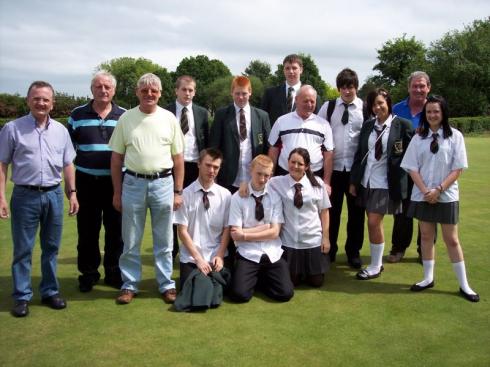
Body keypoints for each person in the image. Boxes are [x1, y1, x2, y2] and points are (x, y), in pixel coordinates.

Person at [0, 81, 79, 317]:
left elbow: (68, 163)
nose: (41, 103)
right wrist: (1, 197)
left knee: (51, 247)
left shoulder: (61, 131)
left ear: (52, 103)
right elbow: (2, 163)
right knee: (23, 249)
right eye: (37, 98)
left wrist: (72, 193)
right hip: (25, 195)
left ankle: (50, 291)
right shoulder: (12, 129)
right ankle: (22, 296)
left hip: (54, 194)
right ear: (28, 101)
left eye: (46, 99)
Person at [109, 73, 184, 305]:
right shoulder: (126, 119)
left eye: (154, 90)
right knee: (130, 238)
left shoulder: (169, 118)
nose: (149, 94)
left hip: (163, 184)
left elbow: (178, 158)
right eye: (144, 90)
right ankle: (129, 284)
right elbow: (116, 158)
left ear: (160, 93)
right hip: (133, 183)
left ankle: (166, 284)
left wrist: (178, 191)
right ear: (137, 92)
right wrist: (117, 191)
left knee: (164, 239)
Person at [401, 95, 479, 302]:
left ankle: (464, 285)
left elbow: (458, 168)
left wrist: (438, 189)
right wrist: (426, 191)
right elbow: (411, 167)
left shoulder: (455, 136)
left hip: (446, 195)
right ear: (425, 115)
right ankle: (428, 278)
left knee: (451, 240)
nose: (432, 115)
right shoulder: (418, 138)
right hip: (423, 195)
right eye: (429, 112)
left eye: (436, 111)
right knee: (426, 237)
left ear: (443, 113)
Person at [68, 71, 125, 292]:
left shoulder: (124, 115)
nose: (103, 90)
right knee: (87, 230)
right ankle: (89, 273)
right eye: (99, 86)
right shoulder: (78, 114)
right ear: (92, 89)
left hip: (115, 182)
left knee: (116, 230)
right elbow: (67, 152)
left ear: (114, 90)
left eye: (107, 87)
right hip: (86, 181)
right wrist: (70, 186)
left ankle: (113, 272)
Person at [349, 88, 413, 280]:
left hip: (386, 183)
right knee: (374, 223)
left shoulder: (403, 125)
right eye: (373, 105)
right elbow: (360, 155)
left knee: (373, 221)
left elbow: (412, 156)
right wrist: (354, 181)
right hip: (366, 181)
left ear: (388, 103)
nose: (377, 108)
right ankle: (377, 262)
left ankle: (376, 266)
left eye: (380, 103)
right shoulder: (368, 126)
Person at [228, 155, 294, 302]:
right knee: (239, 295)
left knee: (285, 293)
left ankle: (260, 279)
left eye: (267, 175)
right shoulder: (237, 198)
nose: (262, 179)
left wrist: (244, 234)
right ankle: (255, 278)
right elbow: (234, 234)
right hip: (248, 253)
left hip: (272, 252)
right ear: (251, 170)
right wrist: (265, 228)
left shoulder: (275, 197)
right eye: (259, 173)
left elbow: (275, 232)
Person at [317, 68, 365, 268]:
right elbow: (317, 133)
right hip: (333, 170)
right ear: (338, 89)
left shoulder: (365, 107)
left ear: (356, 87)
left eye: (351, 87)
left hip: (355, 171)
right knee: (332, 212)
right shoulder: (327, 108)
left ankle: (353, 252)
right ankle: (330, 250)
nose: (347, 92)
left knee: (356, 214)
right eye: (343, 88)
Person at [269, 148, 331, 287]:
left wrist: (325, 238)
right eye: (292, 162)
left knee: (316, 282)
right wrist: (245, 185)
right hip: (289, 242)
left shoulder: (318, 184)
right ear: (287, 162)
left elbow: (324, 211)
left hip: (312, 241)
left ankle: (308, 270)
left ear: (307, 166)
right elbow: (257, 182)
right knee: (293, 282)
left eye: (300, 164)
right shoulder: (276, 182)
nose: (295, 166)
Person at [389, 71, 432, 263]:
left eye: (422, 86)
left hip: (428, 169)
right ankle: (398, 248)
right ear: (408, 88)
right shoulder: (397, 109)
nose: (418, 89)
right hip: (403, 169)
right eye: (415, 86)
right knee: (403, 212)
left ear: (428, 88)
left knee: (428, 210)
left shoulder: (434, 109)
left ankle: (425, 251)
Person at [165, 75, 209, 260]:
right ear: (176, 90)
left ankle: (191, 249)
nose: (188, 93)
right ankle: (171, 249)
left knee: (192, 210)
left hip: (193, 166)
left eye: (191, 90)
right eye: (184, 89)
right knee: (169, 210)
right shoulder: (165, 111)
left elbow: (205, 140)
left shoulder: (201, 113)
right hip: (170, 167)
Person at [174, 148, 231, 288]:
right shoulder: (185, 195)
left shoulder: (226, 195)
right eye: (208, 165)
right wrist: (198, 259)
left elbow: (226, 229)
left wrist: (220, 255)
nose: (212, 170)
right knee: (192, 288)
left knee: (225, 287)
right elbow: (182, 231)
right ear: (199, 164)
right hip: (192, 257)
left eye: (216, 167)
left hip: (216, 256)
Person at [268, 85, 334, 194]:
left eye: (312, 102)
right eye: (306, 101)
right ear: (296, 100)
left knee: (312, 210)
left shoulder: (324, 125)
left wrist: (326, 182)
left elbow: (329, 155)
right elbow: (273, 151)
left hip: (314, 176)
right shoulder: (281, 121)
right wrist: (270, 175)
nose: (309, 105)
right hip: (285, 175)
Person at [209, 76, 270, 194]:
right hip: (227, 178)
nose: (241, 97)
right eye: (237, 93)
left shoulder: (262, 116)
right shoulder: (222, 115)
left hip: (255, 177)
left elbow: (267, 147)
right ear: (231, 92)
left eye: (244, 93)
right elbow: (214, 147)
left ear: (250, 92)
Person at [261, 54, 321, 126]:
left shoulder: (313, 96)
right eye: (287, 68)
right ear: (283, 70)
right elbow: (263, 120)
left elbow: (317, 121)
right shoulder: (270, 94)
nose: (291, 71)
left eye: (294, 68)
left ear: (301, 70)